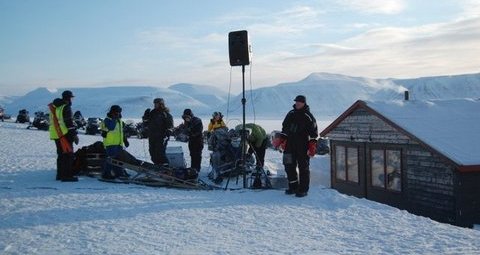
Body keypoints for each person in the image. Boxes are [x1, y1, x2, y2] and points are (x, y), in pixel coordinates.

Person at [276, 95, 318, 197]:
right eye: (296, 102)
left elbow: (314, 133)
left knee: (303, 167)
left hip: (302, 145)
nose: (297, 103)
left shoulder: (308, 116)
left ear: (304, 103)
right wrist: (281, 140)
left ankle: (303, 189)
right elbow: (284, 127)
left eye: (299, 102)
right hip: (289, 145)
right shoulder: (291, 114)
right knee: (288, 165)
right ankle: (293, 187)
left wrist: (312, 145)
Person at [48, 90, 79, 182]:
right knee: (68, 155)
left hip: (57, 134)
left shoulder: (56, 107)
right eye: (71, 98)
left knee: (61, 155)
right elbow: (69, 122)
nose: (72, 100)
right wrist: (74, 135)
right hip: (65, 135)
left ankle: (60, 175)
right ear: (68, 98)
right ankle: (67, 176)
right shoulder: (66, 107)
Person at [100, 105, 130, 179]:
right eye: (117, 112)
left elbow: (121, 132)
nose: (118, 113)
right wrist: (114, 119)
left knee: (118, 160)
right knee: (111, 159)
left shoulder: (119, 120)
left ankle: (119, 173)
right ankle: (106, 174)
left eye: (119, 112)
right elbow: (111, 128)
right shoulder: (107, 120)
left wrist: (125, 140)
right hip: (110, 143)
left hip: (118, 143)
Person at [146, 98, 173, 166]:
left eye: (156, 103)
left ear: (161, 104)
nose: (155, 105)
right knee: (152, 152)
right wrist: (145, 117)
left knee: (160, 152)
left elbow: (170, 126)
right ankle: (157, 165)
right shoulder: (152, 112)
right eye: (154, 103)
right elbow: (146, 123)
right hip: (152, 136)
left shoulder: (165, 114)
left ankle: (166, 166)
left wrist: (167, 134)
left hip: (161, 136)